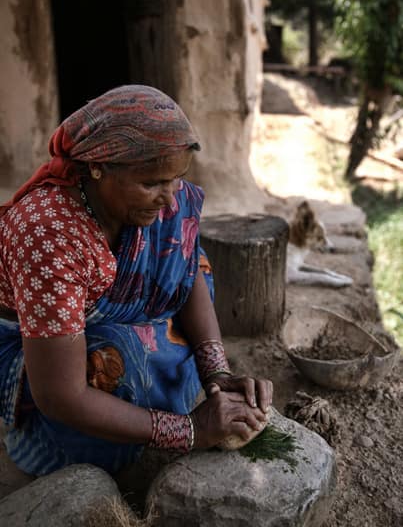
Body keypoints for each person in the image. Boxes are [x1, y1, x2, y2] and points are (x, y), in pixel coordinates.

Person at [0, 85, 272, 476]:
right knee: (113, 366)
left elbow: (186, 271)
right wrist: (191, 430)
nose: (170, 198)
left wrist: (217, 373)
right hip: (37, 352)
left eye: (177, 178)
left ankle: (159, 395)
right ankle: (42, 441)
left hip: (104, 316)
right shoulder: (49, 234)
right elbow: (61, 394)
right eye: (153, 183)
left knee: (194, 258)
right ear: (97, 168)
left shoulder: (153, 203)